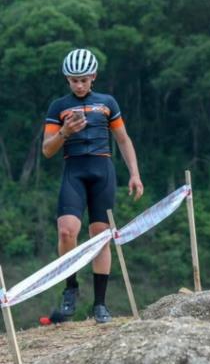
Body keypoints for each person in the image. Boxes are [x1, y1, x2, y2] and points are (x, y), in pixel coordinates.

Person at [42, 48, 144, 323]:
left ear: (93, 77)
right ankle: (70, 287)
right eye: (74, 80)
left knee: (100, 238)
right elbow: (47, 150)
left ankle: (100, 304)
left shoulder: (107, 102)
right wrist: (65, 132)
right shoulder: (58, 106)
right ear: (67, 80)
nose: (79, 85)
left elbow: (123, 140)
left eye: (84, 80)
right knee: (66, 231)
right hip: (74, 170)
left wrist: (134, 173)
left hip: (103, 171)